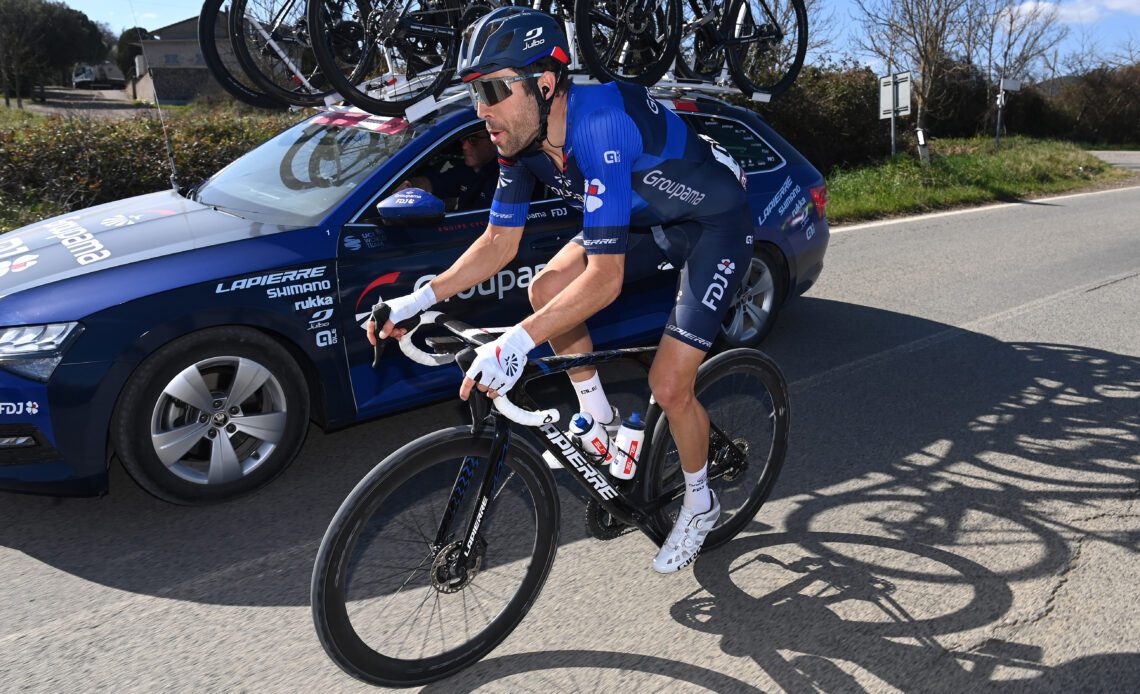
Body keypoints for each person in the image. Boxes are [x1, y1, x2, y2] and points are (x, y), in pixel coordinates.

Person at [368, 7, 752, 574]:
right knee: (546, 285)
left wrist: (514, 345)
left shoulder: (601, 126)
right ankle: (597, 417)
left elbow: (606, 279)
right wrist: (416, 301)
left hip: (713, 226)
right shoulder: (518, 144)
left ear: (545, 84)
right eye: (476, 94)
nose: (483, 111)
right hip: (651, 223)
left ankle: (701, 503)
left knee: (669, 385)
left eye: (494, 90)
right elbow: (499, 242)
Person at [397, 130, 498, 210]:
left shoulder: (504, 179)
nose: (464, 146)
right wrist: (409, 186)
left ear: (494, 143)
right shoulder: (465, 171)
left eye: (473, 140)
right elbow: (433, 183)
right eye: (463, 139)